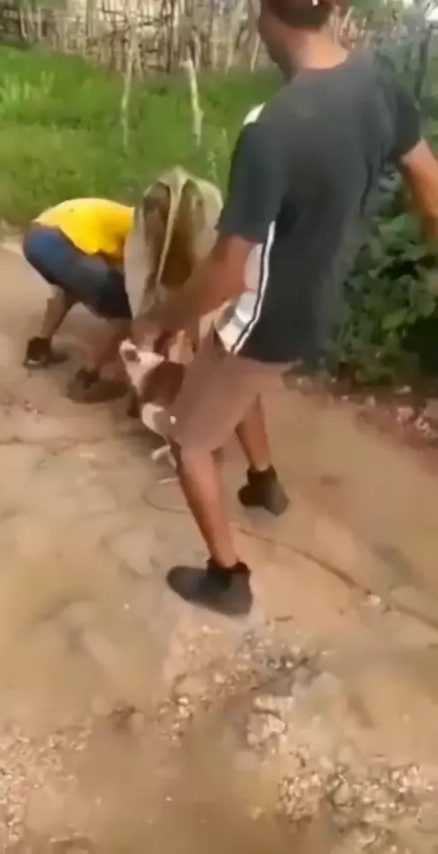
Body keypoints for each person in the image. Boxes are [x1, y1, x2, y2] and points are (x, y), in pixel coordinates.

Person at [133, 0, 438, 617]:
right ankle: (264, 483)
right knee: (238, 380)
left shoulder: (271, 131)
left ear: (266, 15)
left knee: (190, 441)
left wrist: (158, 320)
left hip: (263, 316)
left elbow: (227, 273)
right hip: (319, 304)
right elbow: (432, 192)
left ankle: (228, 578)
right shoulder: (378, 83)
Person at [22, 198, 134, 392]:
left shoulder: (124, 216)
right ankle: (87, 380)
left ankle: (38, 350)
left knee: (71, 288)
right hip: (62, 244)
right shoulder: (140, 231)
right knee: (123, 314)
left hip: (34, 240)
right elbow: (133, 276)